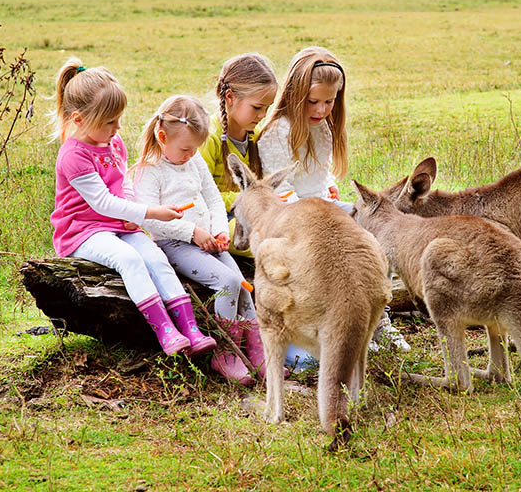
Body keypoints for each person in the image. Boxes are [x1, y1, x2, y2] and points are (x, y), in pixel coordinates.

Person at [49, 58, 216, 358]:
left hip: (117, 222)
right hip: (83, 231)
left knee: (155, 256)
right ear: (79, 120)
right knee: (129, 259)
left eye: (118, 119)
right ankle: (164, 330)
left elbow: (122, 184)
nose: (118, 128)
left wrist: (132, 210)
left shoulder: (113, 143)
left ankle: (189, 327)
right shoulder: (73, 155)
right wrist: (150, 212)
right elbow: (101, 201)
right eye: (109, 122)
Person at [257, 47, 411, 353]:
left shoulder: (323, 128)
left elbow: (321, 172)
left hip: (320, 204)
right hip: (293, 213)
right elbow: (281, 185)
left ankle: (378, 320)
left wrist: (329, 187)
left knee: (375, 230)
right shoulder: (278, 132)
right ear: (295, 94)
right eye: (313, 102)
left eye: (329, 101)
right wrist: (322, 208)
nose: (321, 109)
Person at [132, 94, 268, 386]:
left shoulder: (193, 162)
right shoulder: (150, 170)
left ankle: (257, 354)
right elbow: (149, 218)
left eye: (195, 148)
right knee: (229, 282)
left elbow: (213, 199)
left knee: (244, 286)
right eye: (185, 148)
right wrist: (193, 232)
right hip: (176, 244)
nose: (191, 155)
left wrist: (219, 230)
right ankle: (225, 354)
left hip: (208, 240)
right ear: (162, 135)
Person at [199, 53, 317, 371]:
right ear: (229, 97)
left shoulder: (250, 138)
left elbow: (259, 188)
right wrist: (246, 201)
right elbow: (196, 191)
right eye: (257, 108)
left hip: (242, 219)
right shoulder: (207, 136)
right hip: (212, 224)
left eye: (266, 108)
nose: (262, 116)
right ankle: (284, 343)